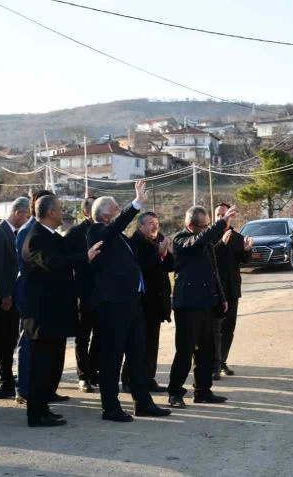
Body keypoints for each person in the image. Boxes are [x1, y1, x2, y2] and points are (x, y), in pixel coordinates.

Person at [88, 181, 171, 422]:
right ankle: (110, 407)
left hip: (132, 303)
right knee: (112, 358)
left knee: (138, 355)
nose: (118, 210)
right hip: (113, 305)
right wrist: (136, 205)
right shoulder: (96, 231)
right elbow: (115, 227)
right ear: (105, 214)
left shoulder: (120, 237)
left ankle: (143, 402)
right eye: (115, 208)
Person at [22, 195, 102, 427]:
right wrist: (83, 257)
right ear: (50, 213)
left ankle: (44, 407)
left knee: (53, 364)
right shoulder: (36, 238)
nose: (62, 211)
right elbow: (53, 263)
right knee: (41, 365)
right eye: (59, 208)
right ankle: (36, 413)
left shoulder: (52, 236)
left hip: (55, 314)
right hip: (42, 315)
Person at [167, 205, 234, 409]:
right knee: (185, 351)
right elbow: (197, 241)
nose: (206, 229)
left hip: (207, 303)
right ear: (190, 225)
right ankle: (175, 393)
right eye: (203, 226)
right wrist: (221, 223)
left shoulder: (204, 242)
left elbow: (213, 273)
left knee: (207, 351)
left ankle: (203, 390)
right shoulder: (181, 240)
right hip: (187, 305)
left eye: (208, 225)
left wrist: (221, 297)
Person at [0, 197, 30, 399]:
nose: (27, 220)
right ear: (18, 213)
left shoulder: (13, 233)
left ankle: (6, 380)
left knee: (8, 341)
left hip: (10, 297)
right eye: (27, 216)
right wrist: (5, 295)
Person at [14, 189, 58, 405]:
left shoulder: (45, 231)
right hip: (31, 296)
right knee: (30, 343)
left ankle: (44, 390)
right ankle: (25, 388)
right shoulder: (30, 232)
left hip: (43, 297)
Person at [121, 211, 173, 393]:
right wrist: (158, 254)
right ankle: (129, 379)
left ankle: (149, 379)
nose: (155, 226)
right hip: (142, 303)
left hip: (156, 303)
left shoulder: (156, 241)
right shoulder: (134, 242)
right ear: (140, 226)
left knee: (151, 344)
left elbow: (168, 267)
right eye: (150, 223)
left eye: (157, 223)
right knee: (137, 345)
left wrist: (166, 253)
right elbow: (141, 266)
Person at [64, 197, 100, 393]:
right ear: (87, 212)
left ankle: (94, 371)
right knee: (83, 336)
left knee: (100, 335)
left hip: (103, 290)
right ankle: (83, 376)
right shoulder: (75, 233)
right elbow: (66, 260)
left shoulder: (106, 231)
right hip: (83, 291)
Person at [212, 203, 252, 380]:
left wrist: (247, 250)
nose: (221, 217)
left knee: (228, 329)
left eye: (224, 214)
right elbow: (209, 255)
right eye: (218, 214)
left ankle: (222, 361)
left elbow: (243, 260)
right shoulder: (209, 235)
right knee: (214, 329)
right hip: (213, 291)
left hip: (232, 289)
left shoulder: (237, 237)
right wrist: (221, 242)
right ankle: (212, 364)